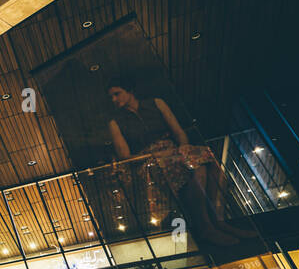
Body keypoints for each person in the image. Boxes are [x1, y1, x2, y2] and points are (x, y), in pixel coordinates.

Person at [106, 78, 256, 246]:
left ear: (129, 90)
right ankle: (208, 226)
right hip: (149, 161)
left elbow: (178, 131)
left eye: (116, 94)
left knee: (206, 162)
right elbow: (125, 157)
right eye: (111, 97)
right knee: (199, 170)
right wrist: (158, 154)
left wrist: (184, 146)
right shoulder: (115, 122)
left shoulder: (156, 103)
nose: (114, 100)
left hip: (174, 152)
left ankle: (217, 222)